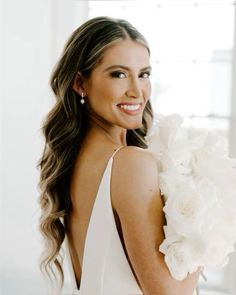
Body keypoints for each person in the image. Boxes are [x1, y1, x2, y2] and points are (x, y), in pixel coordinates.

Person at [38, 16, 200, 295]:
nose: (137, 91)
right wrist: (207, 228)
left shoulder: (76, 159)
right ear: (80, 83)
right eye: (119, 74)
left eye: (144, 74)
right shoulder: (129, 164)